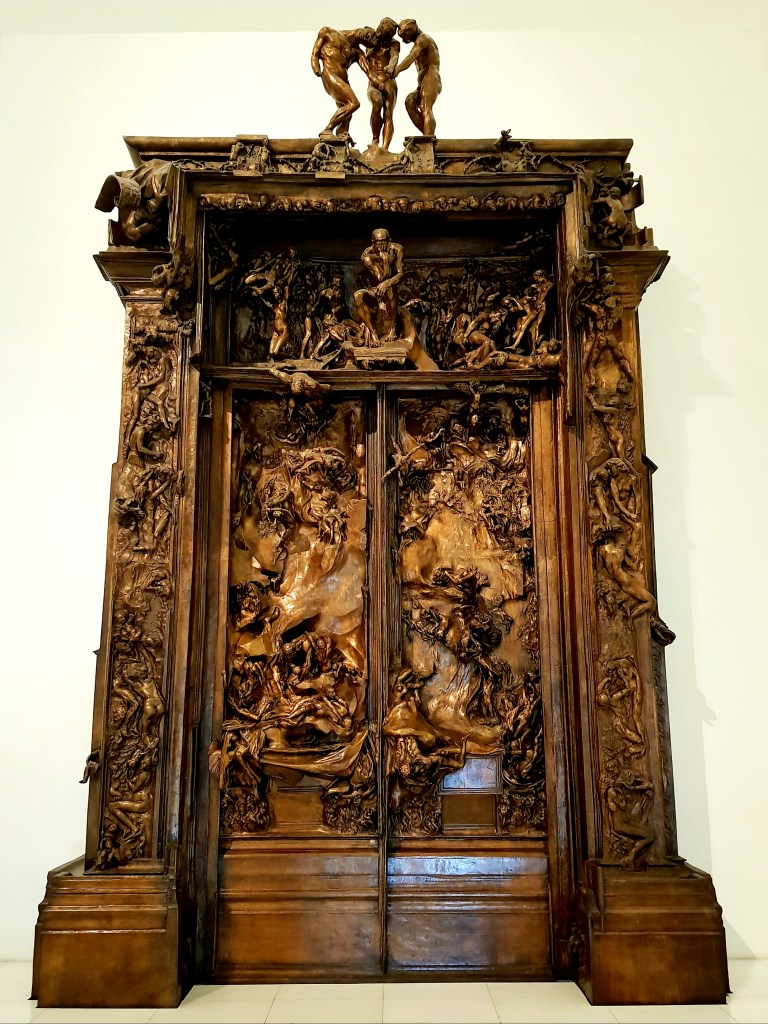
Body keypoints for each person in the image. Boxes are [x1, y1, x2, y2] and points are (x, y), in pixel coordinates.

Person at [311, 26, 375, 141]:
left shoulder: (357, 52)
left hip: (343, 80)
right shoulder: (327, 32)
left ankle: (342, 135)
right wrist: (316, 66)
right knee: (353, 103)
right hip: (330, 75)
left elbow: (368, 71)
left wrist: (383, 79)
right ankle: (327, 130)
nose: (369, 36)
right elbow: (315, 53)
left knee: (347, 113)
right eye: (369, 33)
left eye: (370, 38)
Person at [352, 228, 404, 344]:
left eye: (384, 241)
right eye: (378, 242)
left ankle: (392, 329)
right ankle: (373, 332)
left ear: (389, 240)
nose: (381, 245)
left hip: (389, 290)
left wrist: (388, 282)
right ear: (373, 242)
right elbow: (380, 278)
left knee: (390, 288)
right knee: (357, 296)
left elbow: (400, 273)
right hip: (374, 291)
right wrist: (385, 261)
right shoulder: (367, 256)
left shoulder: (397, 249)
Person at [394, 20, 441, 137]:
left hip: (431, 76)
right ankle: (427, 136)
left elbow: (412, 56)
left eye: (404, 36)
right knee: (410, 102)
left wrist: (397, 69)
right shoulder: (418, 42)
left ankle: (428, 140)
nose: (403, 41)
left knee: (425, 106)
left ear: (412, 30)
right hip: (422, 81)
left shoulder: (423, 39)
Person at [363, 18, 400, 150]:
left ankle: (385, 147)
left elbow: (394, 56)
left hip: (388, 81)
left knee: (388, 112)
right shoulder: (369, 38)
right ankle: (375, 139)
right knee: (376, 102)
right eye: (381, 31)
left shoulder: (394, 43)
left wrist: (391, 66)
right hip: (373, 82)